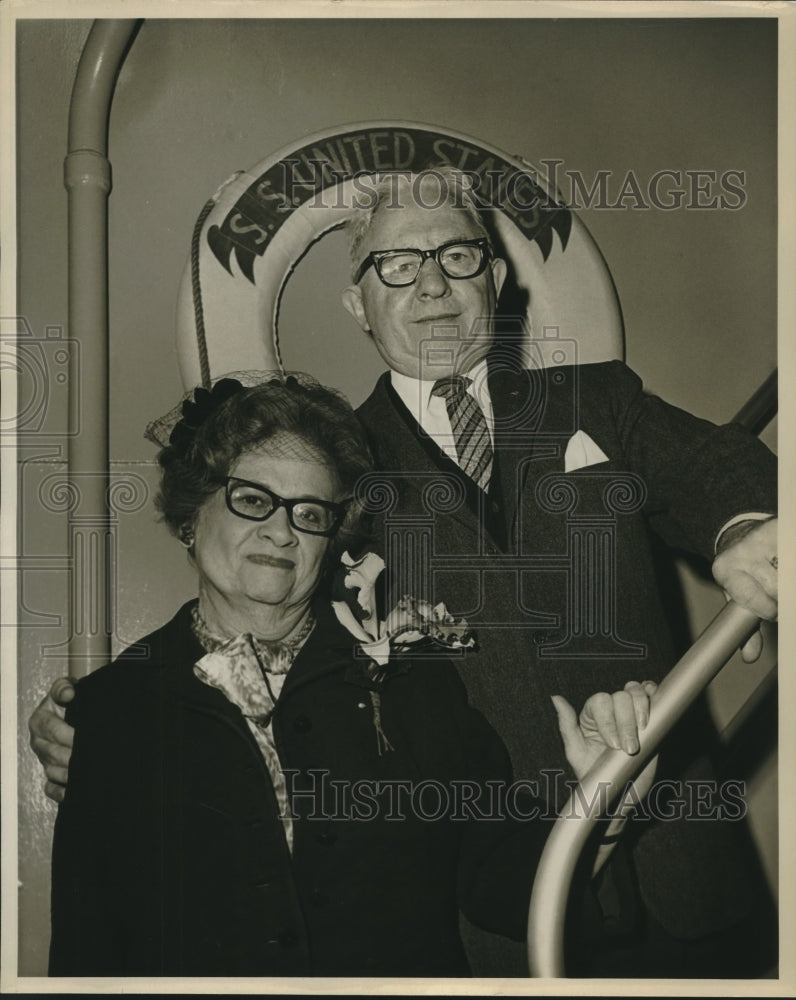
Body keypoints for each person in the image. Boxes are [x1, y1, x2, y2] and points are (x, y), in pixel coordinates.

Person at [33, 168, 778, 976]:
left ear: (493, 281)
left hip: (685, 872)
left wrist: (746, 527)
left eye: (458, 257)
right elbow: (257, 616)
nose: (431, 283)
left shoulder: (598, 401)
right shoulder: (332, 468)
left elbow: (717, 464)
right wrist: (100, 728)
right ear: (359, 304)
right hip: (495, 907)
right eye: (397, 264)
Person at [46, 372, 657, 977]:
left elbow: (506, 888)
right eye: (253, 500)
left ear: (331, 539)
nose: (282, 531)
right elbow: (88, 948)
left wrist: (600, 807)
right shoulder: (111, 711)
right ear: (190, 513)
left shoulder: (413, 682)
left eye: (310, 513)